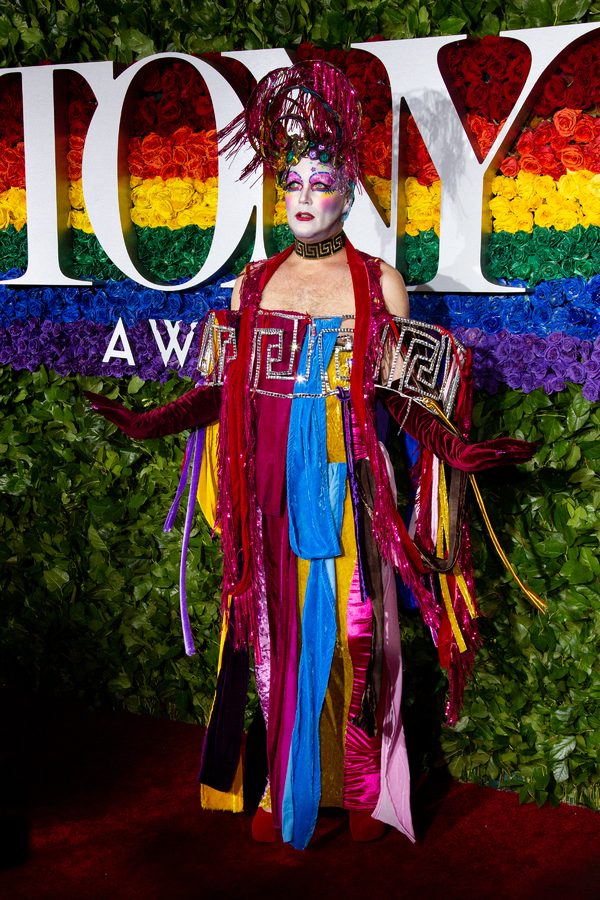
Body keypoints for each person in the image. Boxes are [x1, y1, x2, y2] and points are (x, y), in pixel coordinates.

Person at [85, 61, 537, 849]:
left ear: (347, 191)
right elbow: (218, 399)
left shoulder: (380, 285)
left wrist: (461, 453)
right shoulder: (249, 288)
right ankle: (283, 795)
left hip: (352, 499)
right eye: (290, 182)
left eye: (319, 183)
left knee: (356, 641)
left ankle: (358, 791)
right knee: (275, 640)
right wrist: (148, 422)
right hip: (264, 500)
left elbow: (406, 405)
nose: (302, 196)